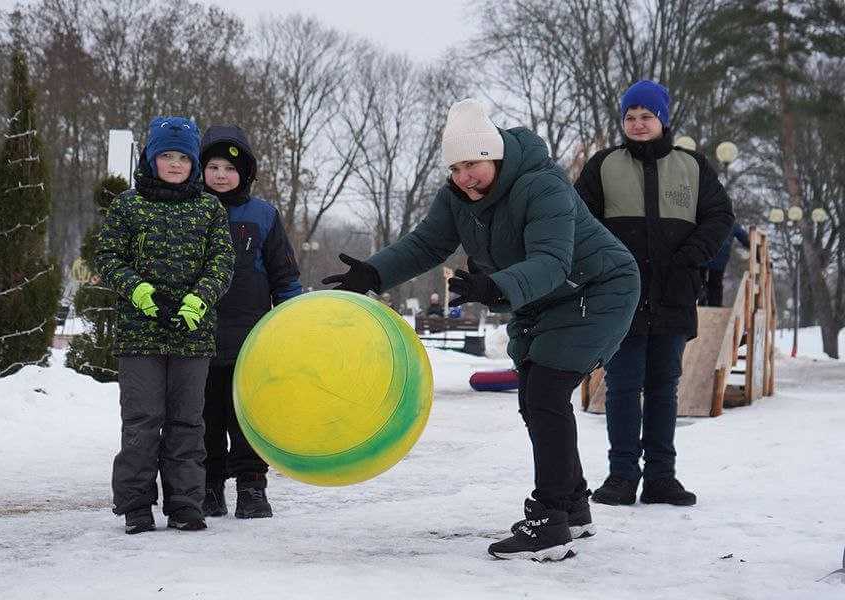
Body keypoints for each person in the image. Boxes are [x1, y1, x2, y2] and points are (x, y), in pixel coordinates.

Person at [323, 99, 639, 561]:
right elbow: (427, 244)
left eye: (471, 164)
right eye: (454, 167)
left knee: (546, 393)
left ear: (493, 155)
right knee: (534, 395)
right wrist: (373, 273)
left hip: (598, 289)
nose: (463, 177)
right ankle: (573, 506)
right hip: (541, 297)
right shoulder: (456, 197)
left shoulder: (542, 186)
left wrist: (493, 287)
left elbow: (552, 262)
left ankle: (550, 519)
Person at [575, 80, 733, 507]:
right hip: (620, 297)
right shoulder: (603, 166)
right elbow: (580, 221)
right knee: (623, 385)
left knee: (664, 386)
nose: (638, 124)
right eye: (630, 117)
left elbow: (719, 218)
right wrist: (606, 264)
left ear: (662, 119)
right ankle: (622, 476)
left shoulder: (693, 166)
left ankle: (662, 477)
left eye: (646, 116)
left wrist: (690, 258)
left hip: (674, 293)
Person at [94, 116, 234, 534]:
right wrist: (135, 289)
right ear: (151, 159)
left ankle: (185, 502)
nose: (174, 164)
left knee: (187, 423)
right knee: (141, 420)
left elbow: (222, 262)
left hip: (192, 334)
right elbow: (108, 255)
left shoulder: (209, 209)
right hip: (140, 335)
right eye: (166, 156)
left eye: (182, 157)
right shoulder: (128, 206)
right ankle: (136, 504)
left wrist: (199, 298)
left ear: (194, 162)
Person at [197, 125, 302, 520]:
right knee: (205, 418)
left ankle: (251, 488)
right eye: (213, 166)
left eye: (230, 167)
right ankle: (209, 487)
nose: (221, 175)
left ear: (246, 173)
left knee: (247, 418)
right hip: (199, 338)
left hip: (252, 340)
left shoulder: (263, 215)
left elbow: (285, 277)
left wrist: (292, 322)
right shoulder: (189, 210)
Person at [700, 223, 749, 307]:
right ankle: (714, 305)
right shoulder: (731, 223)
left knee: (700, 281)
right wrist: (757, 251)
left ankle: (701, 301)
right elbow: (745, 239)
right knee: (715, 283)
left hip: (703, 255)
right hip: (719, 257)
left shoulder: (705, 219)